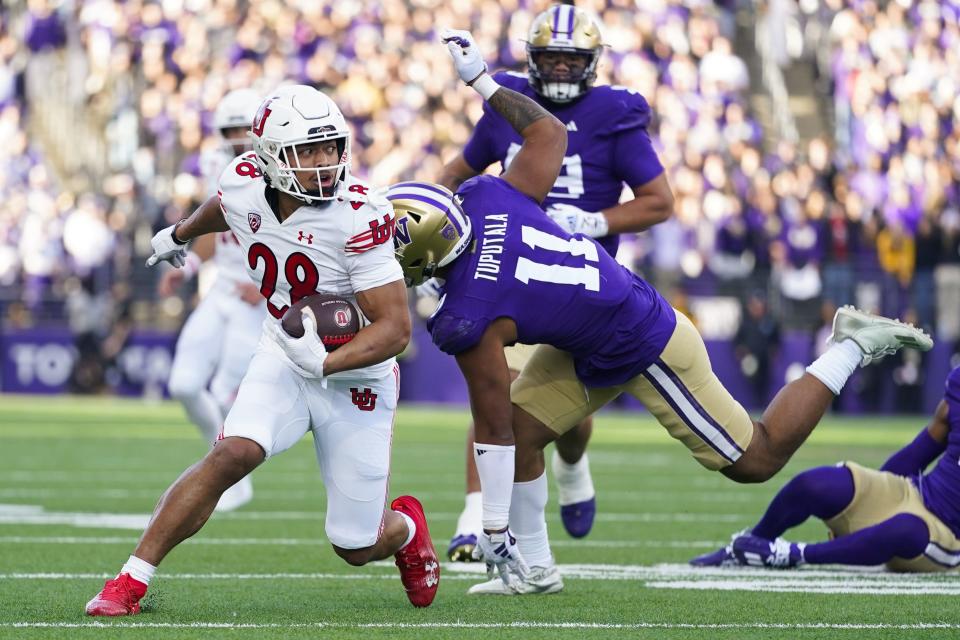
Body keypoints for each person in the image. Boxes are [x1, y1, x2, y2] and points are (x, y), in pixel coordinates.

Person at [389, 30, 933, 595]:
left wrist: (492, 524)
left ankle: (850, 345)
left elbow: (492, 427)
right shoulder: (486, 195)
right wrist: (482, 81)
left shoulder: (465, 316)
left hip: (639, 337)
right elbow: (547, 131)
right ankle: (537, 570)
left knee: (757, 457)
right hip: (593, 329)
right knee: (528, 437)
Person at [85, 85, 439, 616]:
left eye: (330, 148)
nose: (324, 163)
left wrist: (326, 362)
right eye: (307, 151)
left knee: (356, 545)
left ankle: (407, 527)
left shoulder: (361, 214)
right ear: (270, 156)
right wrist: (178, 233)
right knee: (233, 452)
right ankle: (129, 582)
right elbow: (225, 205)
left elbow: (394, 329)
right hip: (284, 352)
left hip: (357, 377)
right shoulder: (244, 181)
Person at [437, 4, 674, 561]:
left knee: (565, 423)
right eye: (552, 59)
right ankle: (477, 521)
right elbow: (455, 173)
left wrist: (598, 221)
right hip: (509, 273)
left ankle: (572, 465)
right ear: (532, 60)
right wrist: (440, 243)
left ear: (591, 62)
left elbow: (660, 202)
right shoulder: (508, 102)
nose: (562, 70)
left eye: (572, 61)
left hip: (579, 283)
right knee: (495, 397)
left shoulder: (615, 112)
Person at [692, 365, 960, 572]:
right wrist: (874, 505)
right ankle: (745, 548)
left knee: (904, 529)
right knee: (813, 485)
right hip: (916, 493)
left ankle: (793, 554)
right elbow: (923, 449)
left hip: (948, 534)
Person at [158, 88, 264, 512]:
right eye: (231, 129)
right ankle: (225, 473)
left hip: (257, 297)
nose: (238, 137)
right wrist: (185, 270)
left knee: (224, 394)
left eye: (244, 127)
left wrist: (267, 284)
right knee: (183, 384)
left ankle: (231, 481)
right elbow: (216, 232)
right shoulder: (217, 164)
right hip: (222, 288)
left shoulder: (276, 169)